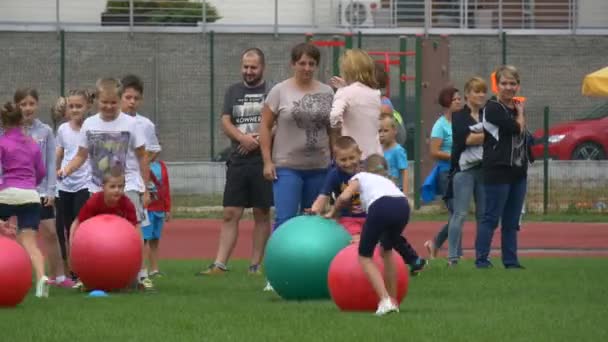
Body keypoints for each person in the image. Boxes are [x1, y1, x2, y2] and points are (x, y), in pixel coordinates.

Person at [58, 78, 153, 290]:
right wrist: (66, 170)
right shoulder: (89, 125)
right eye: (104, 102)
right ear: (97, 101)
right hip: (97, 187)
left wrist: (146, 188)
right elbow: (81, 155)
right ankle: (88, 274)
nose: (109, 107)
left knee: (134, 227)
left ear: (119, 100)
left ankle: (141, 274)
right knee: (93, 233)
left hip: (128, 186)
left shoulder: (131, 124)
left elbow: (142, 156)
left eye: (113, 102)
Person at [200, 48, 273, 275]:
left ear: (262, 68)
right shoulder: (232, 91)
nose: (249, 71)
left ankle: (255, 265)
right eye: (245, 67)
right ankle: (220, 264)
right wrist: (242, 138)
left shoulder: (272, 91)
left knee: (261, 213)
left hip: (263, 160)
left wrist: (258, 140)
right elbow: (225, 121)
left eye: (253, 67)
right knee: (230, 212)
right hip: (238, 161)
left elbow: (277, 121)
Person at [259, 42, 334, 230]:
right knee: (285, 219)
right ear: (293, 64)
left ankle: (311, 260)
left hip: (319, 167)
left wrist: (335, 160)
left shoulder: (327, 92)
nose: (307, 68)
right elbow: (265, 127)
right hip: (287, 167)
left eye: (311, 64)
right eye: (302, 63)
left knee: (313, 220)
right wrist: (267, 161)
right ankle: (278, 259)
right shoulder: (279, 91)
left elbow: (333, 129)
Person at [325, 154, 410, 316]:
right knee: (387, 250)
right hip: (403, 206)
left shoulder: (359, 176)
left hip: (381, 206)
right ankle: (393, 301)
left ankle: (384, 300)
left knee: (364, 256)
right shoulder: (387, 181)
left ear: (362, 168)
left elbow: (344, 196)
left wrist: (332, 212)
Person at [11, 88, 72, 288]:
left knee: (51, 233)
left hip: (42, 192)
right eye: (23, 104)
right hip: (17, 192)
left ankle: (59, 277)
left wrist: (51, 191)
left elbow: (50, 164)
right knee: (23, 237)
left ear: (37, 105)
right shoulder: (8, 131)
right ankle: (23, 277)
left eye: (31, 103)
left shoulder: (45, 131)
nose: (28, 108)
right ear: (17, 107)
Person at [475, 65, 531, 269]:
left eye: (513, 83)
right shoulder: (492, 108)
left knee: (512, 220)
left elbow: (523, 135)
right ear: (497, 85)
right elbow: (515, 128)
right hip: (497, 170)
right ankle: (481, 260)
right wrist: (521, 114)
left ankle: (511, 261)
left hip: (518, 171)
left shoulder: (515, 108)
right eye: (504, 83)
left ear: (518, 85)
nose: (509, 87)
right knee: (491, 218)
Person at [0, 102, 50, 298]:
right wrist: (31, 184)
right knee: (30, 243)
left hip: (6, 194)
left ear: (3, 122)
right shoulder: (32, 144)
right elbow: (42, 172)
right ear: (22, 120)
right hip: (30, 195)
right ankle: (41, 280)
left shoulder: (2, 142)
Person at [120, 74, 162, 279]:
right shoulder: (111, 121)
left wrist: (143, 181)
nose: (131, 102)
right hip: (109, 184)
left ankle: (141, 273)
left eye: (136, 98)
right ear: (120, 97)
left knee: (137, 228)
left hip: (134, 184)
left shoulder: (145, 124)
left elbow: (153, 151)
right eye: (128, 97)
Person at [70, 167, 139, 290]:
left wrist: (138, 256)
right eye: (112, 187)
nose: (117, 190)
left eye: (120, 186)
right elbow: (77, 224)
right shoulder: (94, 202)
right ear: (103, 187)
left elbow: (135, 230)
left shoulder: (127, 204)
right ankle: (85, 279)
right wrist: (73, 249)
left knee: (130, 285)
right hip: (95, 246)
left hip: (119, 248)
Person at [445, 77, 487, 266]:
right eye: (476, 91)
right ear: (467, 94)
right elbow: (467, 139)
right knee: (460, 214)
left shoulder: (489, 114)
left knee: (483, 215)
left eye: (483, 91)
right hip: (464, 170)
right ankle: (453, 257)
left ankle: (482, 256)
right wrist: (491, 134)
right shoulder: (459, 115)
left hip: (485, 170)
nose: (481, 95)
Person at [379, 114, 426, 274]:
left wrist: (405, 194)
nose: (382, 134)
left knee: (390, 234)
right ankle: (413, 260)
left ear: (394, 131)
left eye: (385, 130)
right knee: (388, 234)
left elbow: (404, 171)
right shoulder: (377, 150)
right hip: (380, 196)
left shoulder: (398, 151)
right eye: (379, 131)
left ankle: (413, 259)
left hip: (394, 195)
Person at [55, 90, 93, 278]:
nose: (75, 109)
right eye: (72, 106)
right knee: (66, 225)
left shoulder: (91, 127)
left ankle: (83, 264)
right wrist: (55, 174)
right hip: (64, 185)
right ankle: (72, 268)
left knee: (80, 226)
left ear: (87, 107)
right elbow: (59, 153)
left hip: (84, 184)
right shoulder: (63, 129)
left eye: (79, 106)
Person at [423, 86, 462, 259]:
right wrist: (454, 156)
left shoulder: (462, 121)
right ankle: (453, 252)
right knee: (456, 214)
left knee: (458, 214)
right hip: (446, 174)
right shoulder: (440, 126)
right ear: (447, 103)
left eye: (460, 98)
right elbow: (434, 152)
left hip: (462, 173)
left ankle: (438, 245)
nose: (459, 101)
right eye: (455, 99)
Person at [329, 49, 382, 158]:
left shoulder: (344, 93)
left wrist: (338, 134)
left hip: (353, 157)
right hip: (374, 155)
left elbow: (334, 115)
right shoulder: (375, 94)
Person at [142, 153, 171, 277]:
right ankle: (142, 270)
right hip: (147, 208)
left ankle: (154, 269)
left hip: (159, 208)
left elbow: (166, 187)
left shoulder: (162, 166)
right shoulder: (141, 166)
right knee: (144, 239)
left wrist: (167, 208)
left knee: (155, 239)